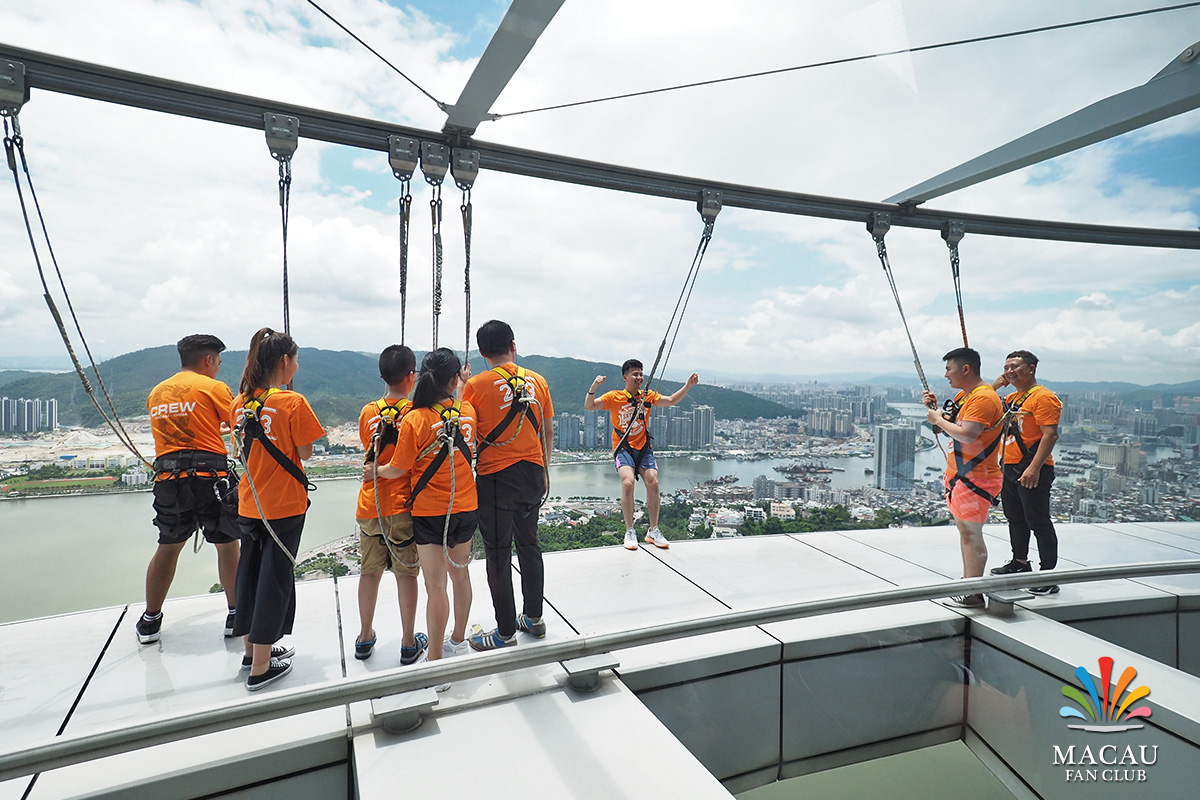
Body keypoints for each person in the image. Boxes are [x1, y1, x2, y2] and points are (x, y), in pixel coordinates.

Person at [372, 348, 476, 678]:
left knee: (436, 587)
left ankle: (435, 660)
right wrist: (462, 388)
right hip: (465, 506)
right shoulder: (468, 411)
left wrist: (375, 469)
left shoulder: (415, 419)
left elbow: (397, 469)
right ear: (454, 379)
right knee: (460, 575)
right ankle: (458, 639)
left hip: (430, 511)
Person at [231, 328, 325, 691]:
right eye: (296, 360)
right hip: (283, 504)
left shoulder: (240, 403)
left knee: (250, 574)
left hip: (249, 503)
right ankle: (260, 668)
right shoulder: (291, 403)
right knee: (275, 579)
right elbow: (304, 453)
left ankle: (251, 650)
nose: (297, 367)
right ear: (284, 361)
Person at [136, 334, 239, 645]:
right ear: (208, 360)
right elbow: (238, 423)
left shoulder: (157, 393)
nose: (218, 369)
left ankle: (151, 619)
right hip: (210, 475)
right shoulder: (213, 388)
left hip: (169, 479)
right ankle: (236, 614)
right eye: (218, 363)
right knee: (227, 543)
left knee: (168, 545)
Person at [461, 320, 554, 651]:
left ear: (483, 351)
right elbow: (547, 433)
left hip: (497, 477)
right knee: (529, 544)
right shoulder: (538, 380)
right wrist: (544, 470)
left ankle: (504, 632)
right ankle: (534, 617)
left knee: (498, 553)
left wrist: (461, 388)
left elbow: (464, 431)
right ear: (513, 344)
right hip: (532, 472)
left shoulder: (476, 385)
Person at [354, 344, 427, 665]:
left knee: (369, 572)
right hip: (402, 505)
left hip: (371, 506)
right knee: (406, 575)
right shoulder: (416, 414)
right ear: (412, 377)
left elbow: (370, 451)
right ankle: (409, 642)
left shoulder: (369, 412)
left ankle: (364, 635)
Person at [585, 359, 699, 551]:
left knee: (653, 481)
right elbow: (589, 405)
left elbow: (670, 401)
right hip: (623, 447)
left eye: (640, 374)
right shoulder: (614, 397)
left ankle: (653, 530)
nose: (638, 377)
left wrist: (687, 386)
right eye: (634, 374)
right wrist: (594, 386)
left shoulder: (647, 396)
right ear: (625, 377)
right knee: (628, 482)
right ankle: (630, 530)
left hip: (643, 446)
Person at [923, 347, 1004, 609]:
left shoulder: (982, 398)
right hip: (964, 477)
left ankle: (973, 592)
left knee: (971, 535)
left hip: (975, 478)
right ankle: (969, 584)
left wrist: (938, 419)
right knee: (966, 534)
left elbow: (967, 434)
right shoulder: (967, 396)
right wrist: (936, 413)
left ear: (965, 369)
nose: (946, 374)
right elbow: (952, 427)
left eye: (949, 368)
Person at [989, 350, 1062, 595]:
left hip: (1033, 467)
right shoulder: (1012, 397)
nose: (1010, 371)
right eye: (1007, 367)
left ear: (1031, 368)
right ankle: (1020, 563)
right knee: (1015, 518)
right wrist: (995, 385)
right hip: (1009, 466)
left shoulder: (1043, 397)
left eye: (1016, 366)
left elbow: (1050, 434)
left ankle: (1048, 575)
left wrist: (1034, 468)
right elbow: (979, 408)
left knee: (1038, 521)